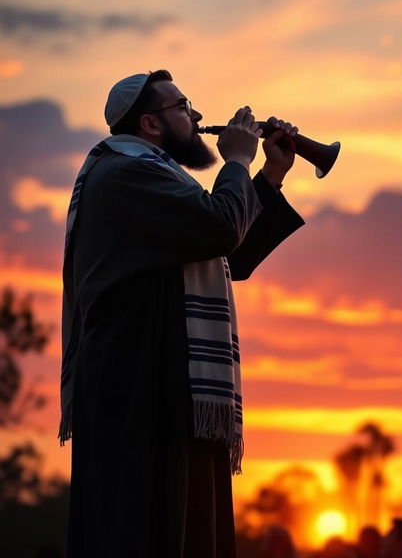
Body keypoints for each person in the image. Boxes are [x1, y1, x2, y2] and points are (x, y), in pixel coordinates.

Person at [59, 70, 305, 557]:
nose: (195, 116)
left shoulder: (153, 174)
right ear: (149, 123)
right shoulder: (126, 174)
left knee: (187, 530)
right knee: (144, 530)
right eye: (183, 106)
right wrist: (236, 159)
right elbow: (219, 227)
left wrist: (269, 176)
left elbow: (229, 257)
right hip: (138, 387)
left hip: (168, 383)